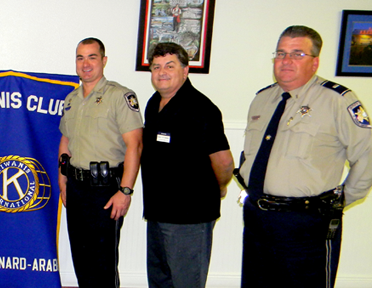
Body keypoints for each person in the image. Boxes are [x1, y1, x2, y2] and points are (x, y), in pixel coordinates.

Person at [238, 25, 372, 288]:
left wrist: (340, 200)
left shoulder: (337, 100)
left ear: (315, 62)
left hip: (306, 224)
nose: (286, 61)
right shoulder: (262, 99)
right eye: (280, 53)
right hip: (258, 220)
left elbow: (367, 154)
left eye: (297, 54)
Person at [141, 42, 234, 288]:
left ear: (185, 70)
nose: (162, 72)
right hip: (158, 213)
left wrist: (219, 186)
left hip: (189, 218)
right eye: (156, 67)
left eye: (170, 66)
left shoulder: (201, 109)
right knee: (160, 280)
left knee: (186, 282)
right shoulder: (154, 103)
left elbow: (224, 162)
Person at [58, 37, 143, 288]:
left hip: (106, 189)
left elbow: (135, 145)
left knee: (103, 262)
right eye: (80, 58)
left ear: (103, 61)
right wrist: (63, 180)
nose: (85, 64)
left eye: (92, 57)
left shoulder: (120, 96)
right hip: (76, 188)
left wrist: (125, 191)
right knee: (81, 258)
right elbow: (66, 141)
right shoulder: (71, 99)